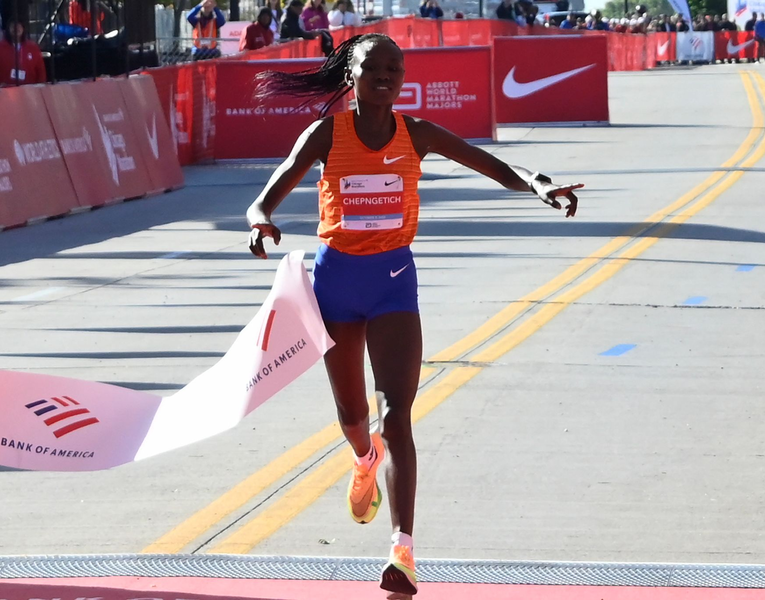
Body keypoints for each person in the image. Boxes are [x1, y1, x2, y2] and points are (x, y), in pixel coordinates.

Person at [246, 33, 581, 598]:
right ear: (351, 76)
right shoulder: (327, 134)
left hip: (394, 284)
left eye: (394, 69)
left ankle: (402, 550)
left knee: (396, 412)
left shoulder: (416, 134)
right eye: (372, 67)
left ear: (403, 78)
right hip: (335, 286)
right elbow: (264, 198)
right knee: (354, 418)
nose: (385, 76)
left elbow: (493, 165)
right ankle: (361, 458)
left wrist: (537, 184)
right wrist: (260, 225)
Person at [0, 18, 46, 88]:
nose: (16, 28)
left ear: (23, 29)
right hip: (4, 93)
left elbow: (41, 72)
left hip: (29, 93)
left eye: (19, 26)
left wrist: (39, 89)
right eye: (13, 26)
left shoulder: (33, 48)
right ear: (8, 29)